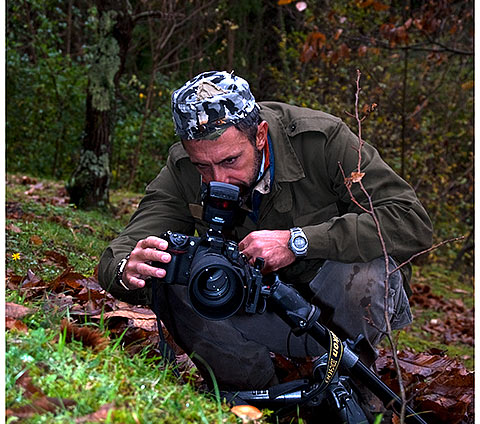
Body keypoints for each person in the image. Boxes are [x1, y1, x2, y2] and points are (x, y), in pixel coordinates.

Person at [98, 70, 432, 392]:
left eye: (230, 161)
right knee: (171, 272)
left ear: (259, 135)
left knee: (368, 270)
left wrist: (299, 241)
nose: (217, 179)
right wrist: (132, 270)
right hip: (250, 311)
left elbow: (409, 221)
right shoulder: (182, 169)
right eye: (203, 166)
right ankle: (252, 397)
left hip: (334, 308)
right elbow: (120, 253)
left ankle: (351, 387)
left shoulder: (321, 141)